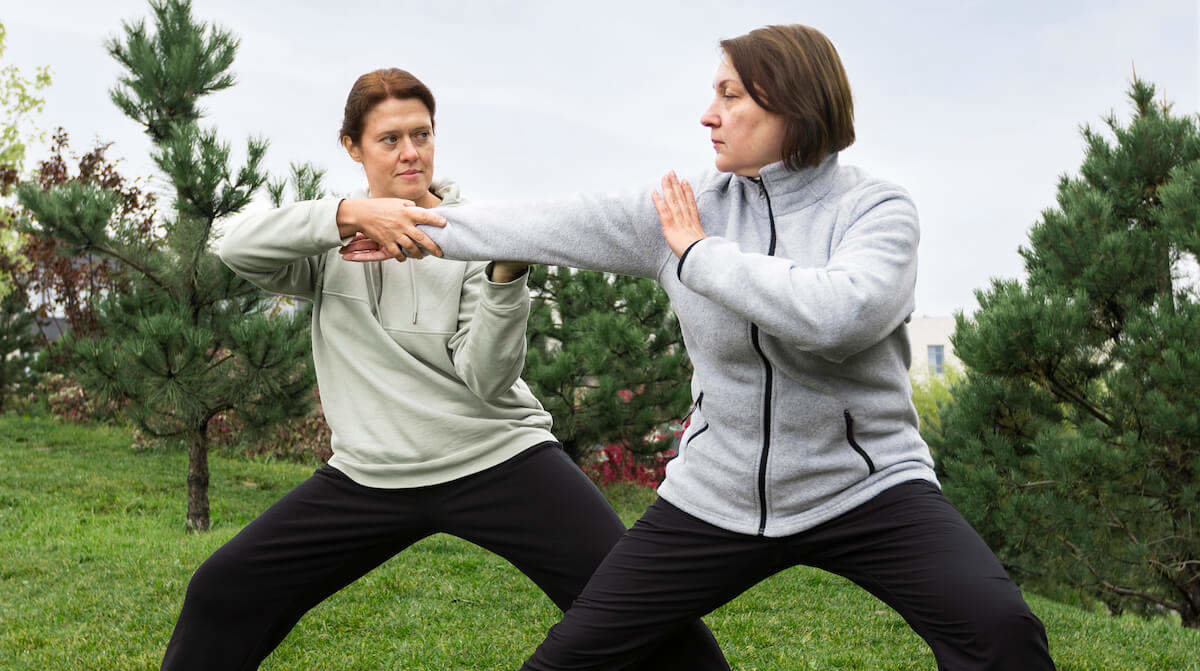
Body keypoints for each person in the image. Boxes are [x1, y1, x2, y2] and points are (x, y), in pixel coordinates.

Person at [338, 26, 1057, 670]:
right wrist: (405, 224)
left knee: (1001, 632)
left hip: (865, 486)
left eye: (731, 95)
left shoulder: (874, 209)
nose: (708, 114)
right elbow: (539, 222)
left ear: (794, 106)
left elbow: (841, 313)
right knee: (574, 658)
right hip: (716, 492)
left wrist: (700, 256)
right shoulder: (685, 210)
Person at [160, 68, 728, 671]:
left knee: (643, 614)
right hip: (370, 474)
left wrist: (505, 275)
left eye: (422, 135)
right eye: (390, 139)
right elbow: (235, 246)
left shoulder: (473, 233)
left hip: (497, 457)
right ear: (352, 147)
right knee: (222, 593)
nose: (411, 152)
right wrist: (350, 214)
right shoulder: (328, 245)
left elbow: (486, 379)